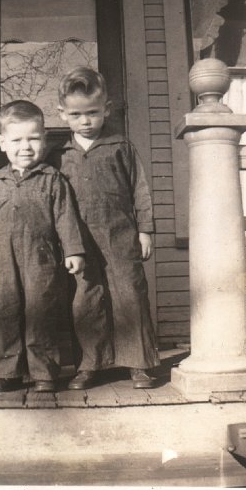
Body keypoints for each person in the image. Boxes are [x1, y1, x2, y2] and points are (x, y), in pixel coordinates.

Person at [0, 100, 85, 393]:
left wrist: (74, 250)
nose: (25, 146)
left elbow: (66, 218)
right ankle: (7, 372)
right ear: (3, 143)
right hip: (0, 261)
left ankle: (45, 373)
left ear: (44, 139)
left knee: (41, 312)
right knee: (3, 312)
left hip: (41, 259)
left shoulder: (53, 180)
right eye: (17, 140)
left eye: (33, 138)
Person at [52, 66, 160, 389]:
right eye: (76, 114)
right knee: (85, 299)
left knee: (129, 294)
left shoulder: (121, 147)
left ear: (106, 110)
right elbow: (53, 199)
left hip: (121, 235)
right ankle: (90, 364)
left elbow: (140, 188)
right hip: (79, 240)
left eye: (93, 113)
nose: (85, 121)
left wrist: (145, 230)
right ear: (62, 114)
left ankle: (138, 362)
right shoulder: (59, 155)